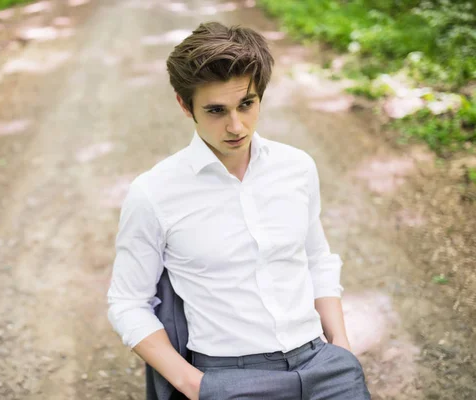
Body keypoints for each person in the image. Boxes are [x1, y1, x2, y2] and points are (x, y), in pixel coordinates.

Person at [107, 22, 371, 400]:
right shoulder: (153, 193)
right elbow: (127, 303)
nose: (236, 126)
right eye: (216, 110)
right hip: (228, 377)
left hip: (323, 364)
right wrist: (193, 385)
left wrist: (340, 346)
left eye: (246, 104)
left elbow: (316, 259)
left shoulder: (297, 167)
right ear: (185, 106)